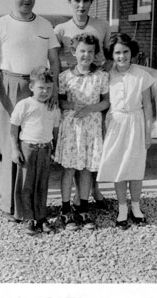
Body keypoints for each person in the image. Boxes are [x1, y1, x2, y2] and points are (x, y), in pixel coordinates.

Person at [0, 0, 60, 221]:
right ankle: (12, 207)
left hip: (40, 87)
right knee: (12, 144)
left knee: (35, 146)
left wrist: (54, 90)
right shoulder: (0, 25)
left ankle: (35, 207)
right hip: (10, 85)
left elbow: (55, 61)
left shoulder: (45, 25)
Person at [54, 0, 111, 207]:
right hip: (73, 88)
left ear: (91, 2)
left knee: (93, 147)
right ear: (70, 2)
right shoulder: (61, 30)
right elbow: (54, 60)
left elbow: (108, 55)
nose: (81, 5)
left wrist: (104, 71)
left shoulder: (102, 25)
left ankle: (92, 194)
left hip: (97, 88)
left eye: (86, 1)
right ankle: (72, 202)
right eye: (77, 0)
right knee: (74, 152)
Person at [97, 33, 154, 230]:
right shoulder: (107, 73)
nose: (122, 56)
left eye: (126, 52)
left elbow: (148, 107)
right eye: (118, 53)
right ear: (112, 55)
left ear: (132, 52)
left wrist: (148, 133)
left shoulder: (142, 75)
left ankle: (136, 207)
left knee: (135, 167)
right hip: (116, 122)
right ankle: (122, 207)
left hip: (136, 122)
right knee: (119, 167)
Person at [54, 34, 109, 230]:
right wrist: (72, 104)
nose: (86, 55)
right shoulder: (64, 76)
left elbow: (106, 101)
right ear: (74, 52)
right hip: (72, 127)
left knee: (86, 168)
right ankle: (65, 208)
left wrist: (90, 109)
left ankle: (83, 208)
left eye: (90, 51)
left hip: (91, 127)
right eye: (82, 51)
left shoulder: (102, 76)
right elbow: (59, 101)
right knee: (69, 168)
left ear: (95, 54)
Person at [10, 67, 60, 235]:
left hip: (45, 149)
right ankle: (28, 217)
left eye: (48, 88)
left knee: (42, 184)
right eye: (41, 87)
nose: (45, 91)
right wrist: (15, 149)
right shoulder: (24, 105)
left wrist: (54, 149)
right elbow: (13, 130)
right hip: (27, 148)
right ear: (31, 87)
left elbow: (55, 131)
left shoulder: (53, 108)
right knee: (26, 184)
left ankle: (41, 216)